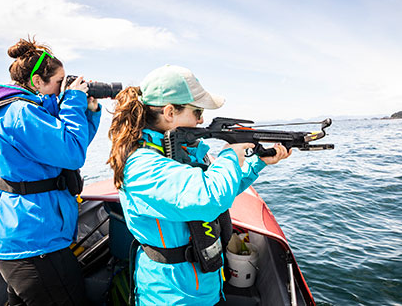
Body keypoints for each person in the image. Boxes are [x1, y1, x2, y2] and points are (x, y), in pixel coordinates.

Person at [107, 64, 291, 305]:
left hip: (205, 286)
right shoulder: (142, 165)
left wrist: (257, 162)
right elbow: (211, 198)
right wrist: (231, 152)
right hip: (171, 296)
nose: (202, 119)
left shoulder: (178, 151)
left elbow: (223, 185)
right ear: (170, 112)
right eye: (197, 112)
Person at [0, 37, 101, 305]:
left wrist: (88, 112)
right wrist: (74, 99)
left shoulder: (32, 111)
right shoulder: (20, 113)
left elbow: (70, 150)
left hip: (34, 238)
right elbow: (71, 152)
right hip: (35, 243)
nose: (62, 88)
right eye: (59, 81)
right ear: (37, 82)